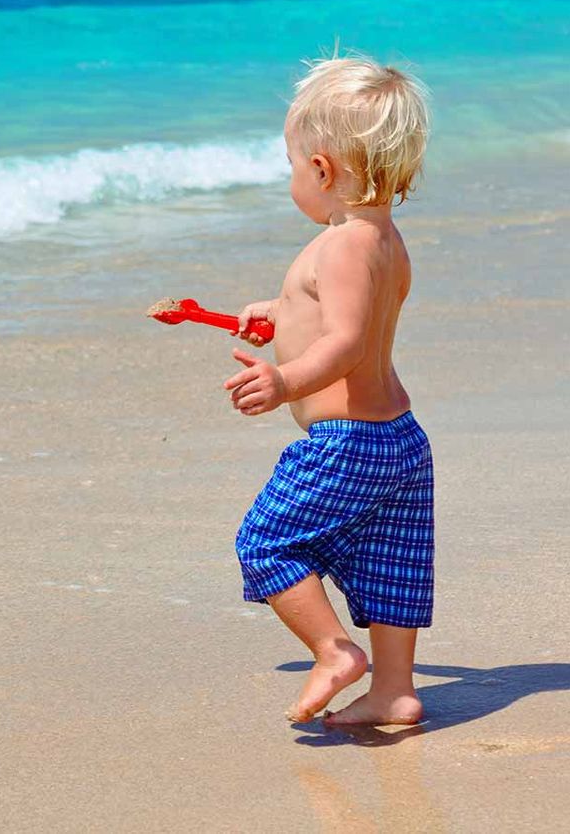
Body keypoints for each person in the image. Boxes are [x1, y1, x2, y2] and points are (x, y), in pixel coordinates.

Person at [223, 52, 435, 726]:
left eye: (292, 166)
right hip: (399, 439)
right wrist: (281, 314)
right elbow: (351, 320)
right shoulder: (384, 240)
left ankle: (333, 651)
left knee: (266, 542)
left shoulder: (341, 245)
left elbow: (342, 343)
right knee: (388, 567)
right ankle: (394, 691)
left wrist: (284, 379)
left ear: (320, 169)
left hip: (346, 443)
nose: (293, 179)